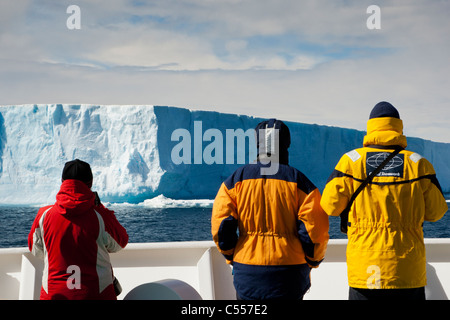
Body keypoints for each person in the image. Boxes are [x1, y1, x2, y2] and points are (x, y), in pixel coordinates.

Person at [320, 102, 448, 300]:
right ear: (398, 127)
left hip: (365, 268)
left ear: (371, 127)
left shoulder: (350, 162)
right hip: (407, 270)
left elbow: (331, 206)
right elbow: (436, 211)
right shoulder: (419, 164)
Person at [211, 119, 329, 300]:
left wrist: (231, 254)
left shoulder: (236, 180)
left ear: (258, 143)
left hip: (247, 271)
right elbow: (315, 231)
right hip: (289, 272)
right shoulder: (300, 182)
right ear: (285, 144)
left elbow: (221, 224)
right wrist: (313, 259)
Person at [28, 159, 128, 300]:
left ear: (62, 181)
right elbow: (120, 243)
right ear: (91, 183)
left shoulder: (44, 215)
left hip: (55, 294)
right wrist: (100, 207)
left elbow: (36, 250)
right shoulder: (99, 215)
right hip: (96, 294)